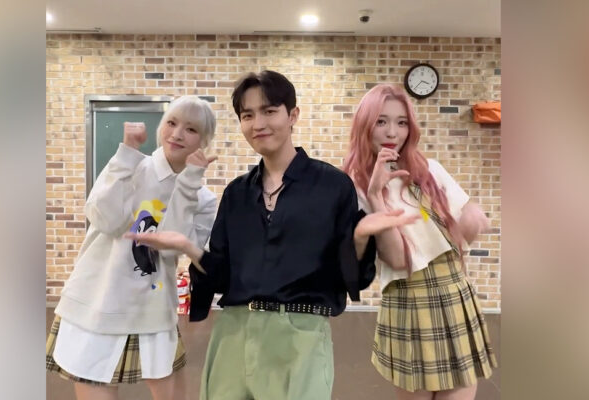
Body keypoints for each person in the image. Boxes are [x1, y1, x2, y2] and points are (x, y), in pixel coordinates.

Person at [126, 70, 418, 400]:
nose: (258, 123)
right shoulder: (237, 193)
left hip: (300, 336)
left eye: (269, 111)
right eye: (247, 115)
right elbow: (219, 275)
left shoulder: (332, 186)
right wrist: (189, 248)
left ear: (292, 115)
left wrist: (360, 237)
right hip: (233, 334)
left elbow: (351, 278)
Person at [46, 95, 218, 400]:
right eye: (172, 123)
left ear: (204, 141)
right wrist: (126, 154)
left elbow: (170, 248)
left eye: (191, 129)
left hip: (151, 309)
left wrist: (189, 183)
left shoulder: (203, 198)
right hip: (98, 301)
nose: (177, 134)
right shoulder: (132, 166)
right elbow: (104, 218)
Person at [342, 84, 498, 400]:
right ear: (364, 124)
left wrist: (470, 222)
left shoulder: (429, 171)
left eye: (401, 122)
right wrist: (376, 197)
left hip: (454, 290)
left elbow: (463, 226)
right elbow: (397, 259)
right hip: (409, 298)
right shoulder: (352, 187)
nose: (392, 132)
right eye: (381, 121)